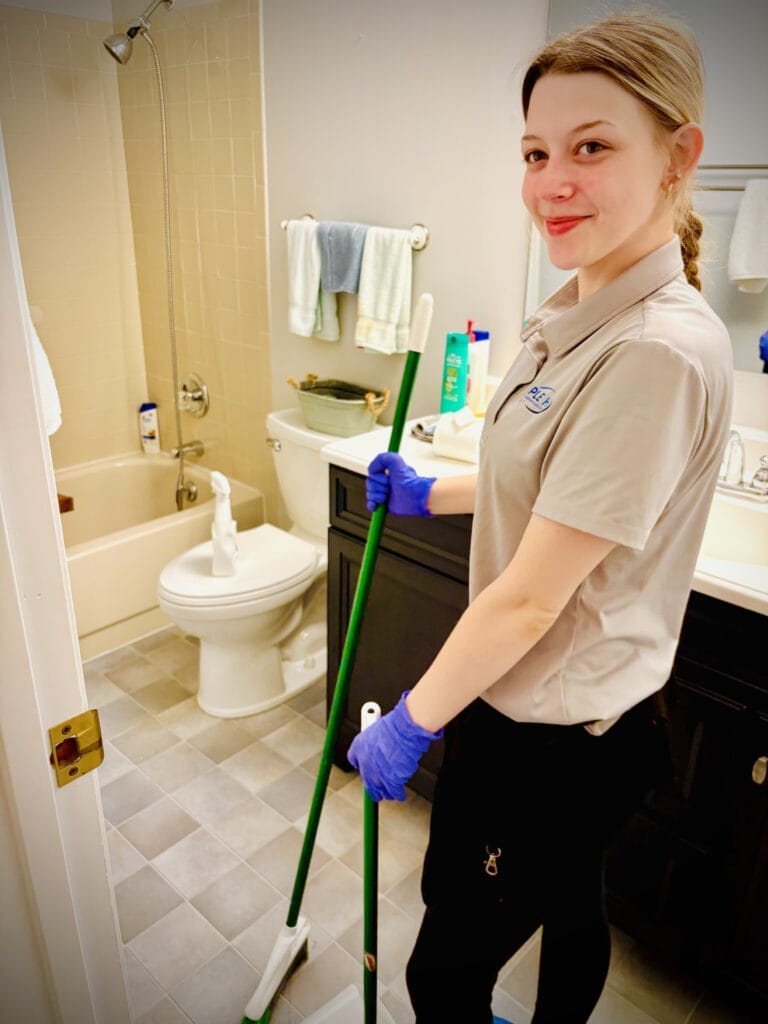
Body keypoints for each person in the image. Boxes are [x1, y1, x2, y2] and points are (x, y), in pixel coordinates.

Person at [347, 9, 734, 1024]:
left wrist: (413, 723)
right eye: (535, 152)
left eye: (592, 147)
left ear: (675, 157)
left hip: (556, 735)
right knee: (571, 897)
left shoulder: (652, 350)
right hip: (579, 719)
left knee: (442, 971)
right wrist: (438, 490)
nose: (551, 182)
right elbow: (549, 485)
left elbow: (525, 603)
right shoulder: (574, 305)